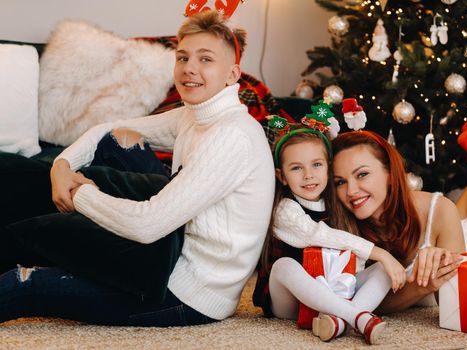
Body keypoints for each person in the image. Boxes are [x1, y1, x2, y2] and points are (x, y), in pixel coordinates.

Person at [0, 10, 275, 326]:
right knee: (113, 145)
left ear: (232, 74)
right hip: (170, 248)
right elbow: (109, 129)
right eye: (182, 58)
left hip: (189, 293)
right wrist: (61, 166)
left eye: (205, 59)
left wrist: (79, 194)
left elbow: (148, 226)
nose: (189, 69)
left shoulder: (231, 136)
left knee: (27, 283)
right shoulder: (195, 115)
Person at [330, 113, 467, 314]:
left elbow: (456, 304)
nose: (351, 191)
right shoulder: (337, 224)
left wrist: (440, 267)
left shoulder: (437, 209)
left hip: (465, 243)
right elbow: (356, 303)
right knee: (465, 215)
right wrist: (422, 286)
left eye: (362, 174)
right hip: (443, 225)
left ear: (390, 173)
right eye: (340, 182)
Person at [252, 123, 407, 345]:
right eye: (296, 168)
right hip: (290, 302)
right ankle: (356, 317)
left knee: (382, 270)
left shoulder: (337, 205)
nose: (308, 175)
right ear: (282, 176)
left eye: (316, 164)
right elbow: (318, 235)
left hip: (333, 292)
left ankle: (337, 322)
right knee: (284, 265)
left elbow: (355, 261)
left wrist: (381, 260)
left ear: (328, 168)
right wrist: (380, 252)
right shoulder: (285, 209)